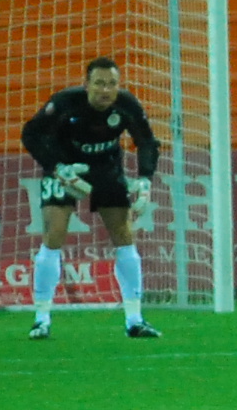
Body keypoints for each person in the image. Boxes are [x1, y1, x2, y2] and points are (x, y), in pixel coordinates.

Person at [19, 57, 161, 340]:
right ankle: (41, 319)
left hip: (106, 167)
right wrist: (57, 167)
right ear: (87, 85)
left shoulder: (127, 105)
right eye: (99, 84)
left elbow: (146, 140)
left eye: (111, 84)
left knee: (124, 236)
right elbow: (31, 134)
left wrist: (145, 178)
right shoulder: (64, 103)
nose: (105, 90)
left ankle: (134, 319)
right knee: (54, 234)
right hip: (65, 166)